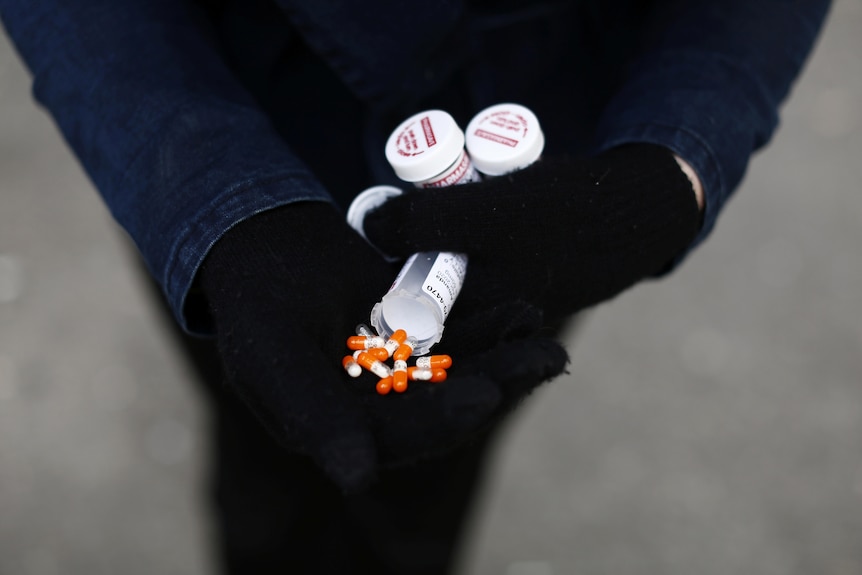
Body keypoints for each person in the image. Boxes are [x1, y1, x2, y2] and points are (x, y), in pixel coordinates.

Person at [0, 1, 831, 573]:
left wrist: (681, 146)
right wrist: (215, 204)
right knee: (266, 449)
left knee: (437, 464)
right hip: (225, 109)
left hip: (550, 176)